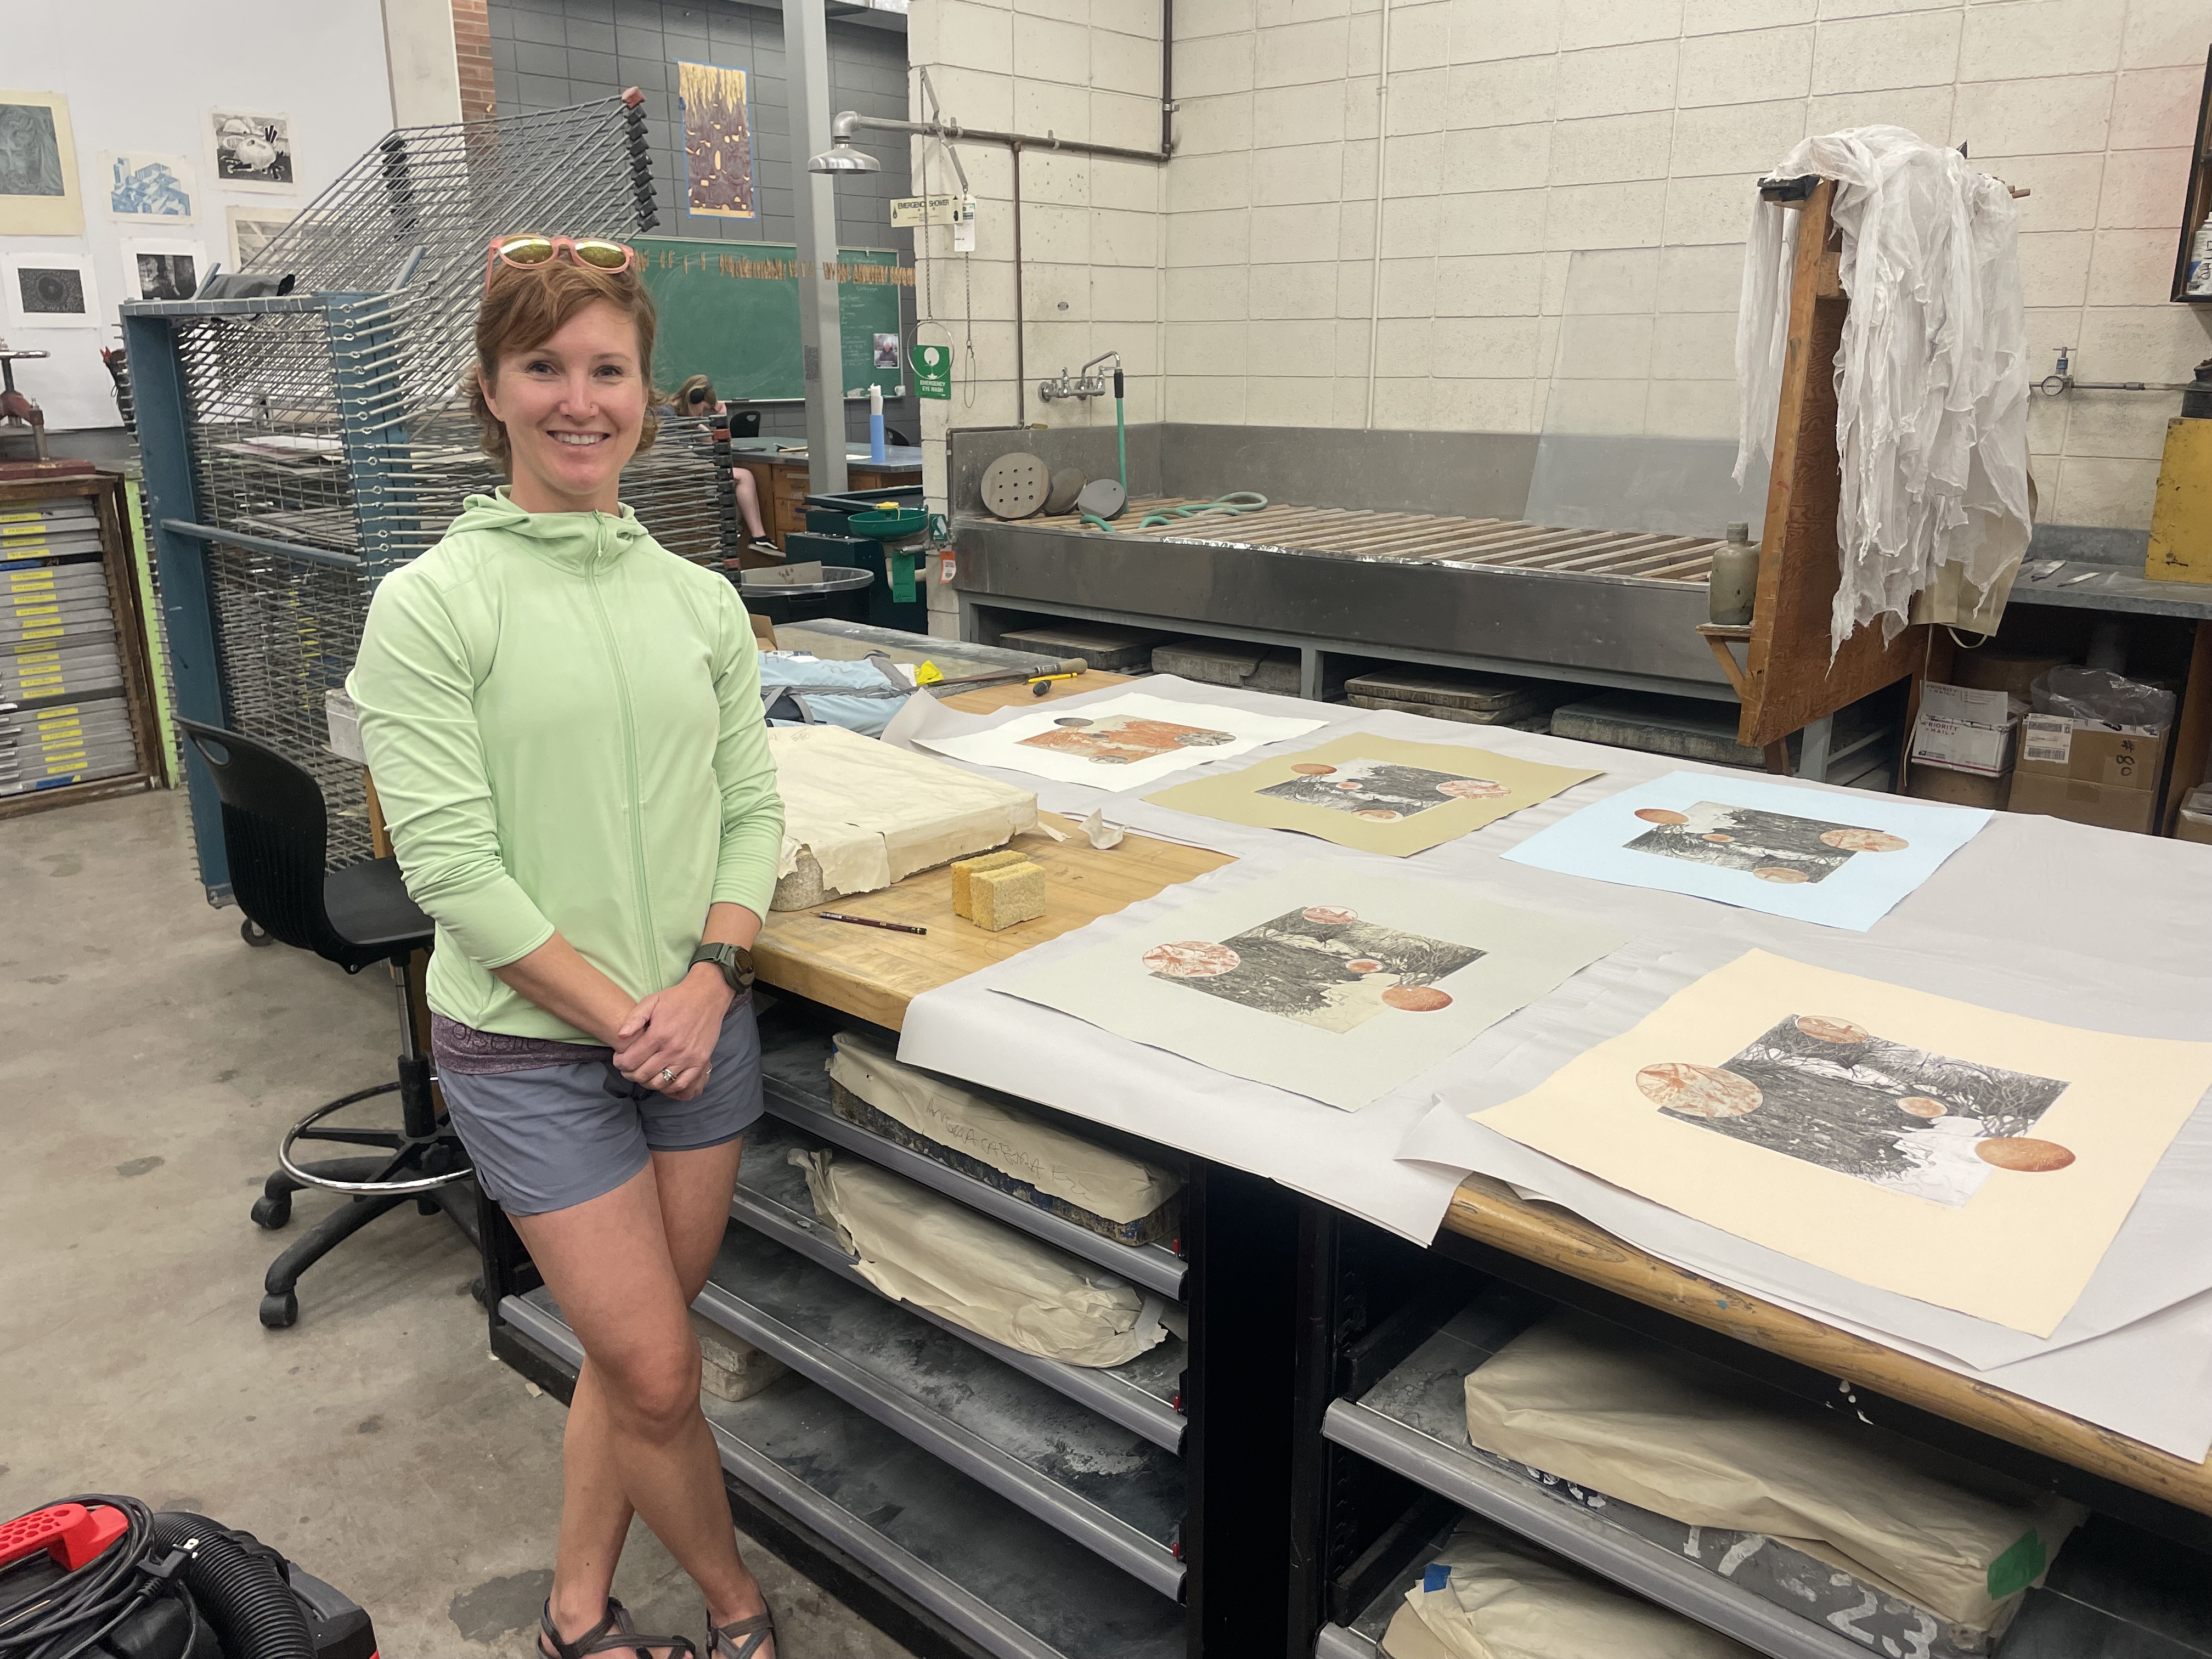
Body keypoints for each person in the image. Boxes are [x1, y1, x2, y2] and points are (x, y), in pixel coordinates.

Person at [348, 233, 784, 1659]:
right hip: (537, 1054)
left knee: (630, 1352)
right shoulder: (433, 604)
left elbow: (749, 806)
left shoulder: (700, 601)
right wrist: (628, 1016)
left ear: (648, 395)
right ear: (491, 388)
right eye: (545, 368)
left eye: (608, 369)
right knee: (659, 1372)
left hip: (693, 1026)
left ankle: (576, 1616)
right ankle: (740, 1611)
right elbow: (454, 870)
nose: (578, 399)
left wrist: (711, 977)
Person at [665, 374, 777, 560]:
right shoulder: (667, 414)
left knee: (737, 485)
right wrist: (702, 463)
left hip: (684, 465)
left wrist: (721, 417)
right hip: (674, 469)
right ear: (694, 398)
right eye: (703, 409)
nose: (702, 415)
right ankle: (756, 537)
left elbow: (720, 444)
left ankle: (731, 538)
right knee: (743, 477)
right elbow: (669, 453)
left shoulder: (686, 416)